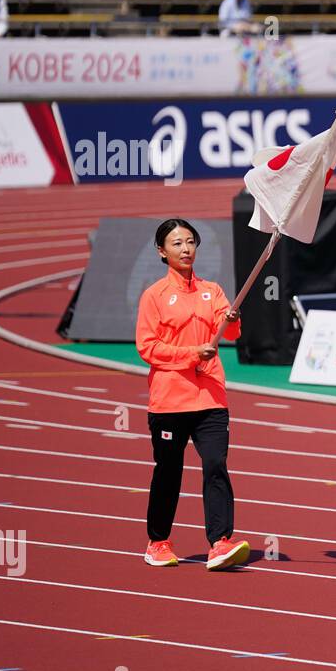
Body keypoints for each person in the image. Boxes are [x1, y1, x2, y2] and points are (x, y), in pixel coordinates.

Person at [135, 218, 251, 571]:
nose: (185, 249)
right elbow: (147, 347)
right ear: (162, 251)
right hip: (170, 400)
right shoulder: (154, 296)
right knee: (169, 471)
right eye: (176, 243)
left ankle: (219, 542)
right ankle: (158, 542)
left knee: (216, 464)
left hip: (211, 397)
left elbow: (230, 334)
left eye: (189, 242)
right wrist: (189, 355)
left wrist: (231, 319)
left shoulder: (212, 291)